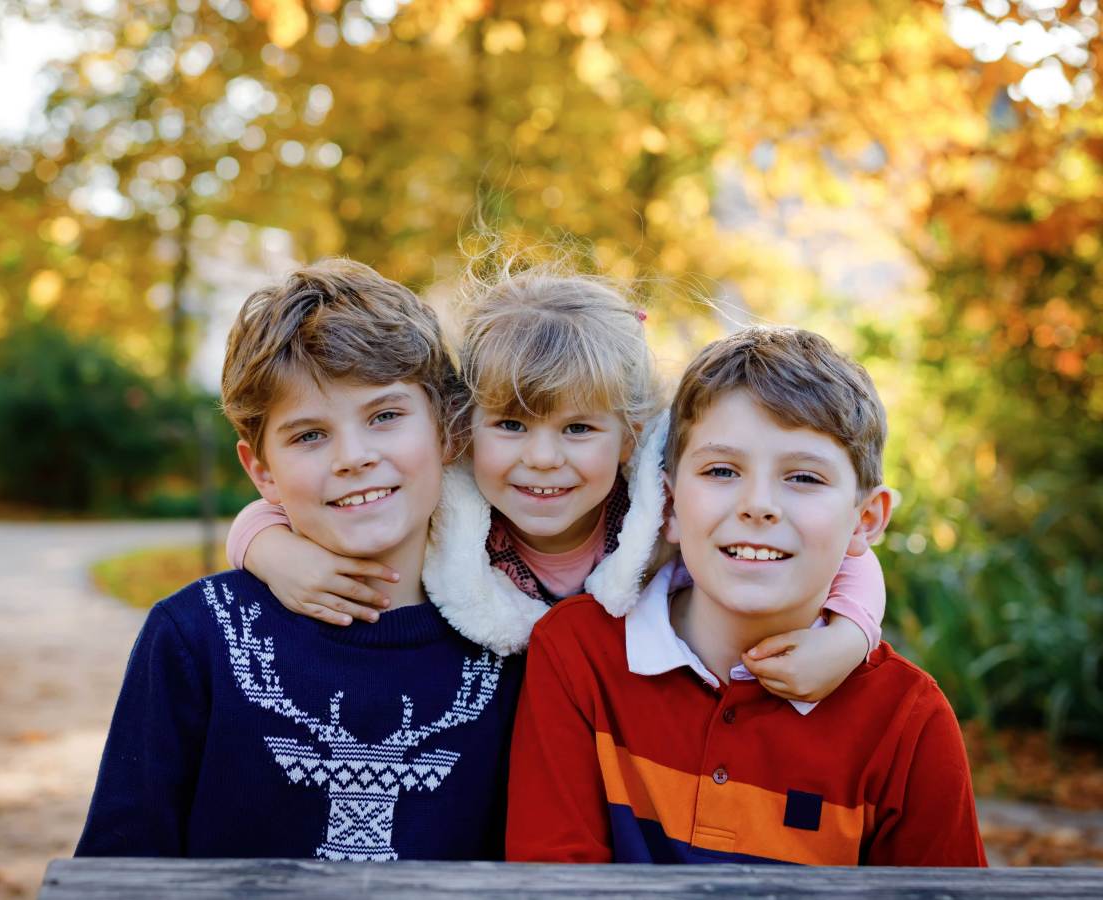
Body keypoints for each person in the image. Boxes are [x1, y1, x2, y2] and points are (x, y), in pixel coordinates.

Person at [225, 262, 886, 702]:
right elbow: (273, 509)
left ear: (629, 436)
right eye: (511, 426)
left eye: (577, 430)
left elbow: (845, 549)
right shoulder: (450, 505)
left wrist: (850, 636)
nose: (543, 459)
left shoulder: (659, 512)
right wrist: (271, 552)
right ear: (463, 429)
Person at [76, 260, 522, 860]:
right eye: (310, 435)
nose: (354, 456)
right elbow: (119, 864)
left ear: (446, 430)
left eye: (385, 416)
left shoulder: (513, 642)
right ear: (261, 471)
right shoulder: (194, 638)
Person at [506, 326, 986, 866]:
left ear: (865, 520)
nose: (759, 505)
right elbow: (550, 878)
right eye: (722, 471)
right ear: (667, 504)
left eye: (803, 477)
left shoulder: (908, 721)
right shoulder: (579, 654)